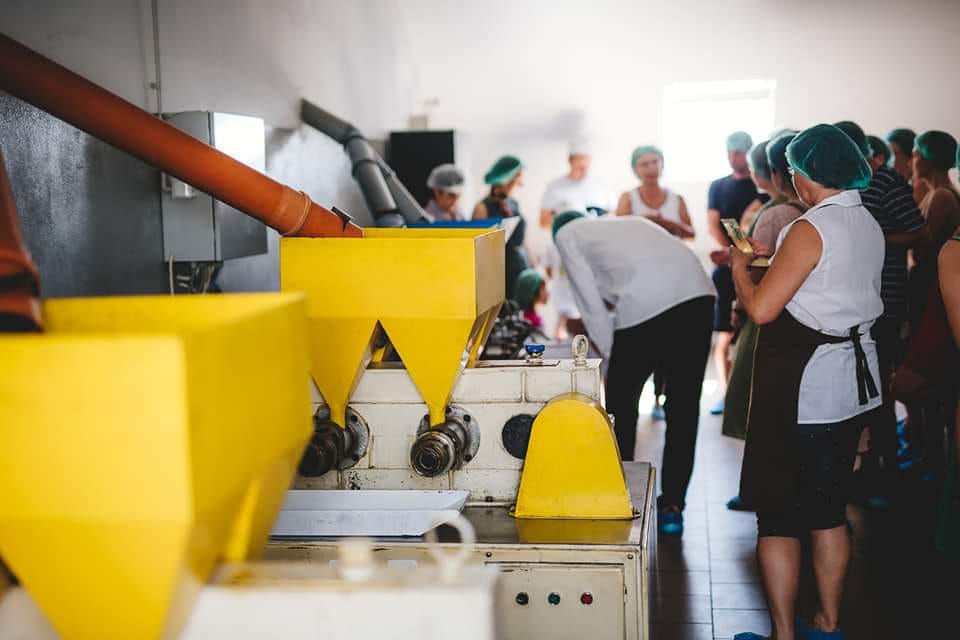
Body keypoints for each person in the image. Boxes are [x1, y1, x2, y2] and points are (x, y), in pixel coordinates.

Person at [731, 124, 883, 640]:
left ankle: (783, 633)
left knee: (777, 514)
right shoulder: (865, 220)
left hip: (803, 386)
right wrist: (772, 262)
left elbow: (762, 309)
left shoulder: (808, 227)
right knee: (828, 510)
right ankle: (828, 620)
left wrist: (740, 267)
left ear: (802, 174)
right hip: (852, 384)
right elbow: (827, 282)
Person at [553, 211, 716, 537]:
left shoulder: (565, 235)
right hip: (699, 296)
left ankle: (617, 495)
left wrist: (612, 361)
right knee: (684, 407)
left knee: (620, 406)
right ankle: (672, 507)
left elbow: (591, 307)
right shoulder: (623, 223)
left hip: (647, 306)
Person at [721, 133, 806, 514]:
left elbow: (755, 276)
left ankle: (761, 489)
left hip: (768, 316)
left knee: (761, 409)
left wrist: (738, 272)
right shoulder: (813, 213)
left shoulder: (774, 214)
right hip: (802, 321)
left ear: (773, 172)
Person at [857, 120, 927, 502]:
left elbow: (920, 233)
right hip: (862, 302)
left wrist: (874, 238)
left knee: (878, 390)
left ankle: (887, 473)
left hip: (885, 300)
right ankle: (871, 467)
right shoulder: (856, 185)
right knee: (866, 390)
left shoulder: (886, 183)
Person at [707, 131, 759, 415]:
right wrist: (731, 253)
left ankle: (745, 396)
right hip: (726, 269)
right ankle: (726, 395)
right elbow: (714, 224)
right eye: (729, 152)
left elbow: (752, 227)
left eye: (737, 152)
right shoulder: (718, 186)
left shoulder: (759, 185)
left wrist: (739, 253)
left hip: (753, 267)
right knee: (724, 333)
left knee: (747, 332)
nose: (732, 157)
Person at [473, 155, 528, 299]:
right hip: (499, 274)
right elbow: (480, 251)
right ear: (506, 180)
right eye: (518, 179)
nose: (521, 184)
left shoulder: (513, 204)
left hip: (519, 268)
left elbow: (521, 241)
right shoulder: (482, 208)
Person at [614, 145, 695, 239]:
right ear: (635, 169)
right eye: (644, 164)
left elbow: (691, 234)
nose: (651, 168)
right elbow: (620, 232)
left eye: (655, 162)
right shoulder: (627, 198)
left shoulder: (677, 199)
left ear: (662, 164)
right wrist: (643, 220)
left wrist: (667, 224)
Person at [539, 140, 612, 228]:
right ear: (570, 160)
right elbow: (543, 222)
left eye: (586, 160)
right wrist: (565, 220)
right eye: (579, 160)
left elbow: (614, 214)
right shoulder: (554, 186)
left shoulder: (602, 185)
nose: (583, 164)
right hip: (566, 235)